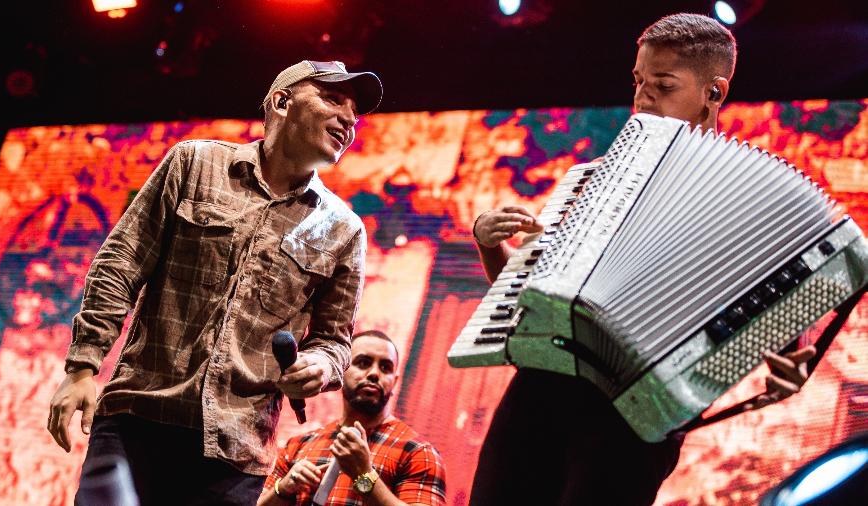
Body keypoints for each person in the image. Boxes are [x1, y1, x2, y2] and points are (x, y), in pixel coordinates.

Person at [469, 13, 818, 505]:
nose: (642, 97)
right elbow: (524, 298)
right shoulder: (593, 181)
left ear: (713, 93)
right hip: (539, 393)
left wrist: (791, 361)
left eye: (663, 85)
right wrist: (489, 243)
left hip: (640, 415)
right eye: (638, 81)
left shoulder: (749, 197)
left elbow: (787, 324)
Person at [47, 60, 383, 505]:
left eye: (355, 114)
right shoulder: (195, 164)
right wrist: (82, 367)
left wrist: (320, 366)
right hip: (138, 419)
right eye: (333, 99)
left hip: (235, 452)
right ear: (282, 102)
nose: (349, 120)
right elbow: (122, 261)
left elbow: (335, 341)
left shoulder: (344, 229)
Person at [257, 330, 446, 506]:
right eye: (363, 362)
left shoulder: (418, 453)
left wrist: (364, 475)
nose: (374, 373)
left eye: (385, 367)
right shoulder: (298, 446)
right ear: (342, 371)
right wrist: (283, 489)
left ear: (395, 381)